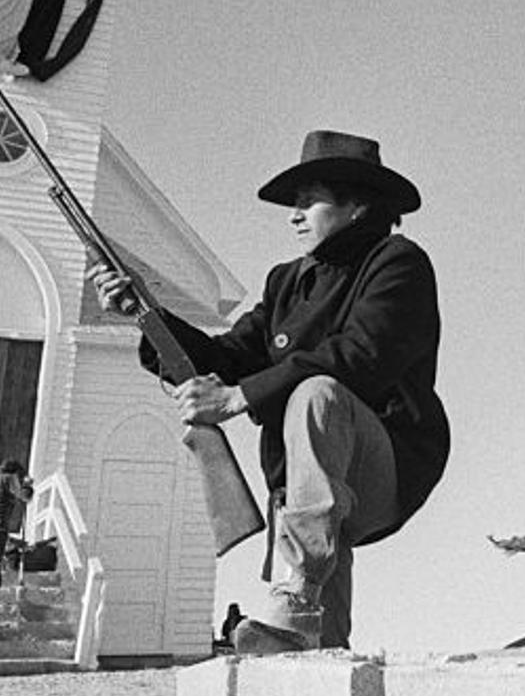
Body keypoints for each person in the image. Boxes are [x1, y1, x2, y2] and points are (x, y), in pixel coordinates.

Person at [90, 130, 448, 651]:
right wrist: (145, 314)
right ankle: (310, 639)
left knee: (317, 393)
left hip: (385, 465)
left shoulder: (398, 263)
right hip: (308, 487)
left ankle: (298, 590)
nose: (294, 215)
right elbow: (225, 357)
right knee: (315, 647)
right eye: (294, 204)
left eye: (310, 200)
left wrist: (239, 398)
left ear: (357, 206)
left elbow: (360, 357)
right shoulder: (287, 281)